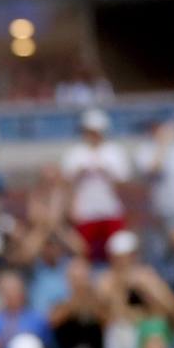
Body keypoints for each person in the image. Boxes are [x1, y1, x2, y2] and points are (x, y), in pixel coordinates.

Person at [62, 109, 131, 262]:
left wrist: (106, 171)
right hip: (85, 213)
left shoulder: (114, 151)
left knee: (117, 251)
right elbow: (66, 184)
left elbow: (123, 182)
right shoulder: (75, 153)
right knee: (85, 253)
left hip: (111, 210)